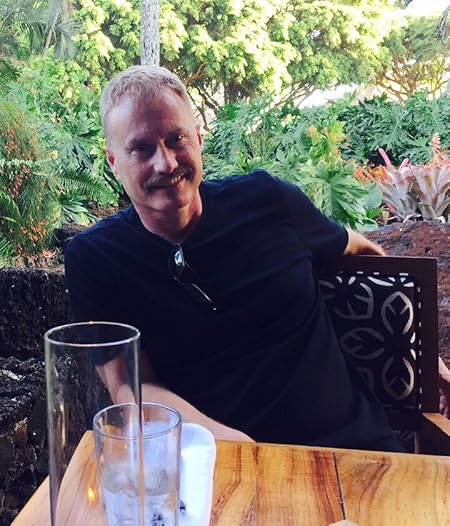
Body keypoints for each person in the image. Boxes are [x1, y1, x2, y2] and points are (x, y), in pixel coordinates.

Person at [64, 65, 448, 451]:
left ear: (199, 138)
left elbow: (362, 253)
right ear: (113, 161)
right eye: (141, 148)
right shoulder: (97, 258)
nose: (165, 163)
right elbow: (131, 387)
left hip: (354, 448)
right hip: (215, 462)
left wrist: (421, 357)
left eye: (176, 138)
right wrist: (236, 447)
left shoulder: (267, 200)